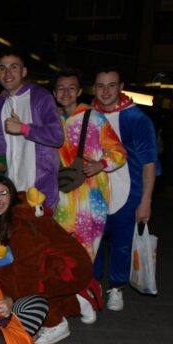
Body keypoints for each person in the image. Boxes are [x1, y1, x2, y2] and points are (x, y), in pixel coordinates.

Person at [0, 176, 94, 344]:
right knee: (6, 274)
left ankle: (55, 324)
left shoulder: (18, 223)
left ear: (11, 195)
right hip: (74, 263)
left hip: (71, 269)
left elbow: (28, 269)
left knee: (16, 282)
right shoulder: (22, 209)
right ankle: (78, 300)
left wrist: (19, 301)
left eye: (2, 194)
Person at [92, 68, 159, 311]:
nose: (106, 91)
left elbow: (149, 163)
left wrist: (146, 200)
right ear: (94, 88)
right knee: (93, 242)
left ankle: (116, 287)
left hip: (128, 192)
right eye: (101, 85)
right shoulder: (87, 115)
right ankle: (92, 285)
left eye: (111, 85)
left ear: (121, 87)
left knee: (121, 244)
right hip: (94, 193)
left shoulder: (137, 119)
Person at [52, 70, 126, 260]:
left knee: (85, 253)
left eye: (71, 88)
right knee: (60, 251)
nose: (66, 93)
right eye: (61, 88)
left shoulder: (94, 118)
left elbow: (119, 152)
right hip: (63, 195)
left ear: (79, 92)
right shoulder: (53, 120)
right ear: (54, 93)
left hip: (91, 199)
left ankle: (84, 280)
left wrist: (101, 164)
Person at [0, 51, 64, 210]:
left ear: (24, 71)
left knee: (43, 227)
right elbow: (4, 149)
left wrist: (23, 128)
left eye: (13, 67)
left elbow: (57, 137)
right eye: (2, 68)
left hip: (41, 187)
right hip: (12, 187)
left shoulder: (40, 96)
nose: (7, 73)